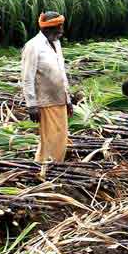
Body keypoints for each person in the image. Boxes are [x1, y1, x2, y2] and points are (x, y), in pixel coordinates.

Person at [21, 11, 73, 163]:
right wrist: (31, 105)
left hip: (60, 98)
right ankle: (44, 166)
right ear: (48, 28)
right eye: (59, 27)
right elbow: (27, 78)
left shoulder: (56, 43)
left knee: (61, 136)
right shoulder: (33, 46)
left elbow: (61, 72)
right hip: (45, 100)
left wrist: (68, 99)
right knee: (50, 138)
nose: (61, 31)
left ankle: (56, 165)